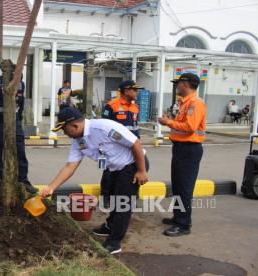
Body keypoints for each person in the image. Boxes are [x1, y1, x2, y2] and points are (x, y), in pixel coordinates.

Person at [40, 108, 148, 254]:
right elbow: (70, 167)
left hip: (132, 164)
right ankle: (110, 226)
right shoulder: (78, 141)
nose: (65, 134)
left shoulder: (104, 128)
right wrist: (51, 188)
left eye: (65, 130)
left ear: (75, 126)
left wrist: (141, 171)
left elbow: (135, 144)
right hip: (113, 167)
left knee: (123, 203)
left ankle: (114, 242)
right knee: (112, 197)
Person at [159, 72, 206, 237]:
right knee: (178, 185)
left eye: (178, 83)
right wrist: (170, 121)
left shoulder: (195, 103)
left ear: (185, 84)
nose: (176, 86)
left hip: (189, 150)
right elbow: (183, 125)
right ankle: (179, 217)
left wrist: (168, 122)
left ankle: (183, 224)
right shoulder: (184, 103)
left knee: (184, 187)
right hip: (181, 148)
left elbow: (190, 127)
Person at [0, 73, 36, 193]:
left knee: (20, 149)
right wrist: (4, 89)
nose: (16, 85)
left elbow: (20, 104)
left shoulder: (21, 85)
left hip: (14, 119)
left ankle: (23, 181)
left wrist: (19, 120)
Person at [100, 80, 146, 207]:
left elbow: (135, 127)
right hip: (115, 147)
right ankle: (106, 196)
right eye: (135, 90)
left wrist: (138, 143)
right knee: (109, 170)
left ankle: (130, 194)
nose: (137, 92)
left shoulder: (135, 107)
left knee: (132, 169)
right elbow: (104, 126)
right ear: (126, 91)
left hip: (132, 146)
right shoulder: (111, 106)